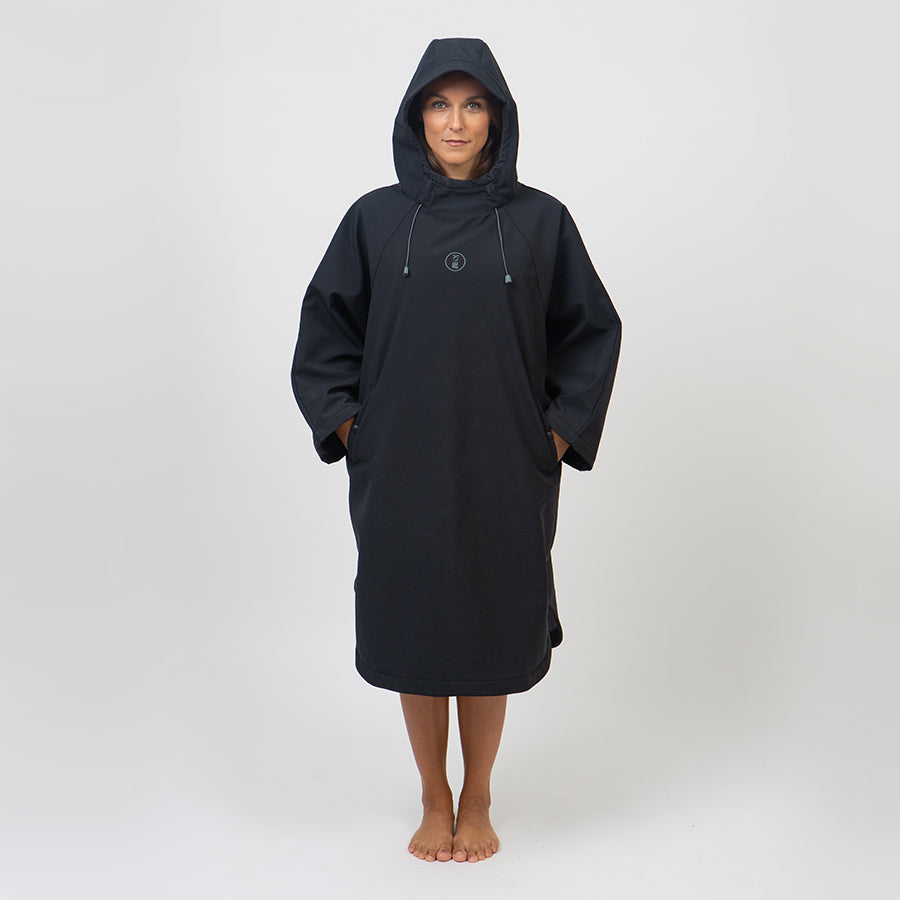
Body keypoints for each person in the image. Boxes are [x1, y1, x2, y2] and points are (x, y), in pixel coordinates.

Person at [290, 37, 621, 863]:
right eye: (439, 104)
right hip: (400, 467)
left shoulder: (541, 221)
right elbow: (324, 333)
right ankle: (433, 796)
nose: (456, 121)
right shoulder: (374, 220)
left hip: (505, 465)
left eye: (473, 104)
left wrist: (552, 436)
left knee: (490, 623)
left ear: (497, 118)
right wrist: (354, 430)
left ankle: (478, 796)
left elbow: (592, 333)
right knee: (415, 623)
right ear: (416, 117)